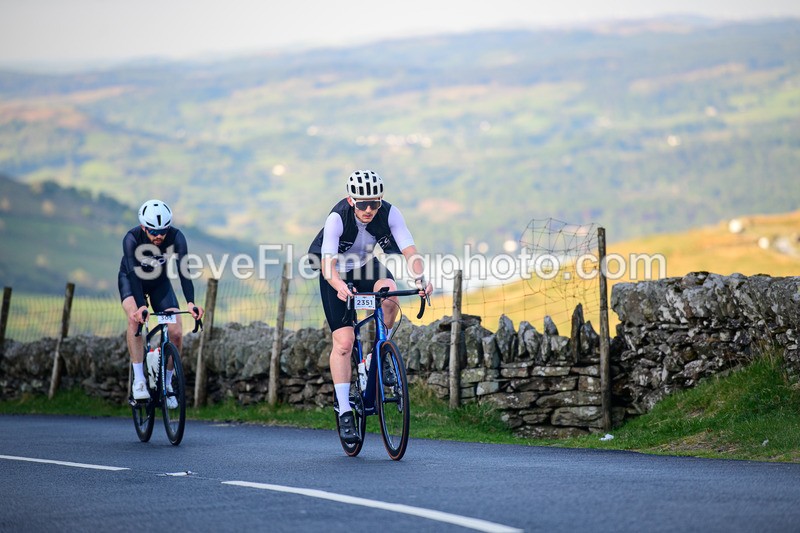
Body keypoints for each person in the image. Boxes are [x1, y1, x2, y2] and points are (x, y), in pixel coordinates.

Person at [308, 170, 433, 443]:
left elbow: (410, 251)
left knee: (389, 295)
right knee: (344, 341)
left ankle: (375, 357)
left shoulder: (390, 214)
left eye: (374, 203)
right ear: (351, 200)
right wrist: (340, 286)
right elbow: (328, 265)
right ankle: (343, 410)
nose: (368, 209)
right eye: (362, 203)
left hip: (364, 266)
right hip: (334, 270)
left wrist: (421, 278)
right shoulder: (337, 218)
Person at [118, 199, 204, 405]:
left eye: (163, 231)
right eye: (154, 232)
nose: (159, 236)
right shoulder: (131, 238)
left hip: (159, 284)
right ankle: (139, 380)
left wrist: (191, 302)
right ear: (143, 227)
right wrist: (141, 307)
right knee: (135, 320)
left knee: (175, 331)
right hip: (131, 281)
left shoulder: (176, 237)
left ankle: (166, 383)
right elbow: (133, 273)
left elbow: (185, 271)